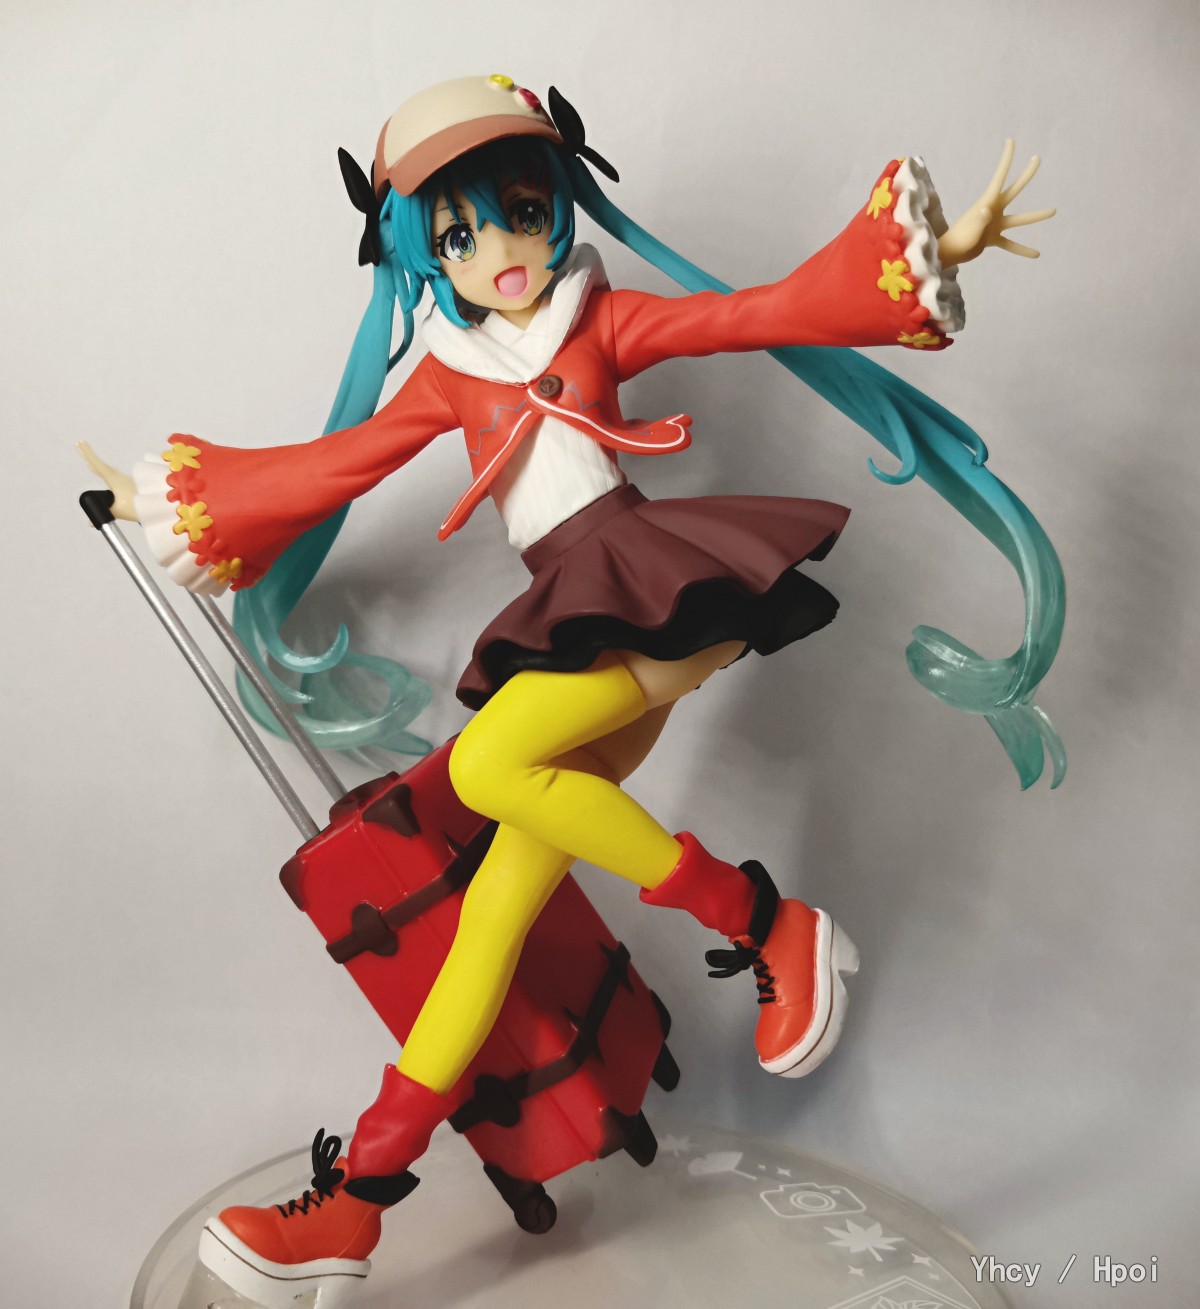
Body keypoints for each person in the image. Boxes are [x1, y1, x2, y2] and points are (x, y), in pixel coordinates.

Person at [81, 75, 1059, 1307]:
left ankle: (767, 922)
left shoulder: (597, 319)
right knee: (483, 933)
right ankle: (353, 1206)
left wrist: (920, 258)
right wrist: (183, 502)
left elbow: (746, 315)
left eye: (524, 211)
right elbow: (337, 465)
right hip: (574, 619)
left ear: (561, 202)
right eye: (459, 233)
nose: (499, 249)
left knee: (488, 766)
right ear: (418, 253)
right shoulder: (451, 370)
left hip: (659, 585)